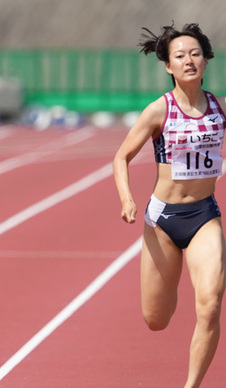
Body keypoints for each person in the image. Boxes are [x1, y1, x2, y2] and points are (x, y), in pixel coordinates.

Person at [113, 23, 225, 388]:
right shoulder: (158, 110)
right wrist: (127, 198)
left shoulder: (218, 108)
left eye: (195, 53)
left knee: (210, 304)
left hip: (204, 216)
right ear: (168, 66)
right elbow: (121, 157)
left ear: (206, 60)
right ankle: (170, 280)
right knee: (156, 319)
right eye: (180, 56)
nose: (189, 60)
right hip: (163, 220)